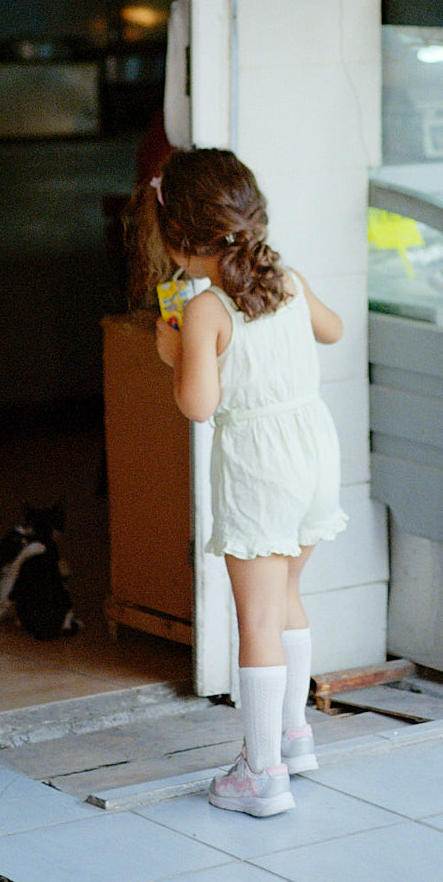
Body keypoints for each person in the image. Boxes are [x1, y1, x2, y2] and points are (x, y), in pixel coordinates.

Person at [135, 148, 347, 817]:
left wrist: (174, 350)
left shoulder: (204, 309)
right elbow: (332, 329)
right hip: (315, 453)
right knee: (286, 595)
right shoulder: (282, 275)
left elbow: (197, 404)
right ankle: (294, 735)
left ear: (176, 238)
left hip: (260, 466)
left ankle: (261, 776)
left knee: (253, 618)